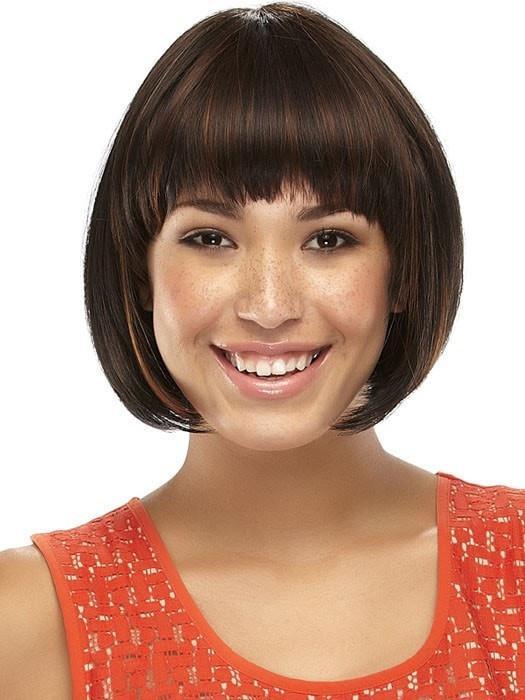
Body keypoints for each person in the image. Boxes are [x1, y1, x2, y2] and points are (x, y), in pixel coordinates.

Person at [1, 3, 524, 698]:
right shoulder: (25, 623)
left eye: (329, 239)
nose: (269, 306)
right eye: (210, 238)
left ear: (402, 273)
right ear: (141, 273)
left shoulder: (514, 570)